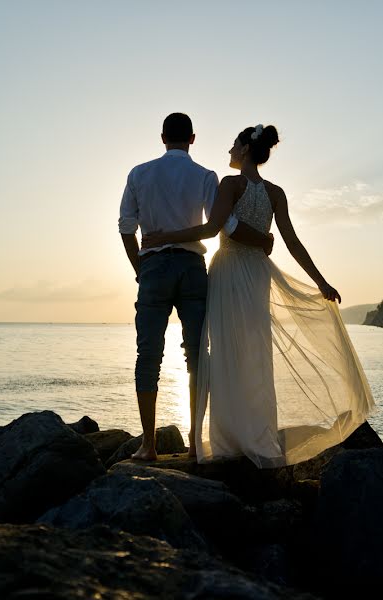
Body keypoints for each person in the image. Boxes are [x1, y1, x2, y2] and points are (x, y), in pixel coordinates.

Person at [142, 124, 375, 467]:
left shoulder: (230, 184)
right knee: (257, 351)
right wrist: (321, 282)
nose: (229, 152)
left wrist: (164, 237)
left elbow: (212, 229)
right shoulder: (276, 192)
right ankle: (256, 433)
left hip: (229, 271)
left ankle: (230, 438)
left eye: (234, 145)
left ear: (245, 149)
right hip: (258, 275)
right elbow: (293, 243)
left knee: (225, 351)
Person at [118, 113, 273, 461]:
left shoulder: (139, 174)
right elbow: (226, 226)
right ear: (192, 138)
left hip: (154, 266)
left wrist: (140, 269)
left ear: (162, 138)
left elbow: (126, 226)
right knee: (197, 357)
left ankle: (148, 445)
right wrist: (264, 239)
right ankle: (192, 441)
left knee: (148, 356)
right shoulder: (205, 176)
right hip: (192, 268)